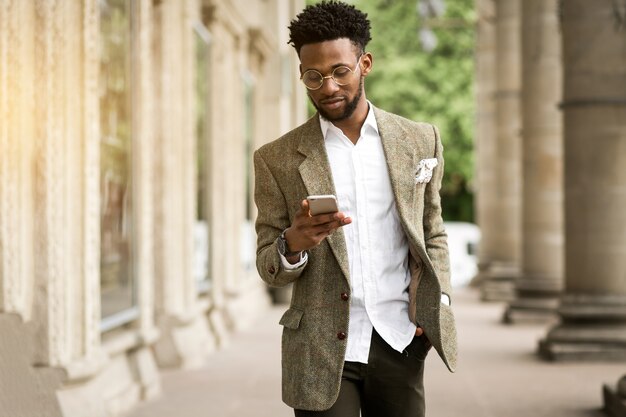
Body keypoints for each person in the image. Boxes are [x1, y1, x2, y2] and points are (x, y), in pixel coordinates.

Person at [253, 1, 457, 416]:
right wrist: (293, 243)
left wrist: (439, 303)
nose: (327, 87)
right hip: (320, 350)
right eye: (314, 76)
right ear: (302, 75)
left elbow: (432, 230)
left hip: (400, 338)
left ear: (364, 63)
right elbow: (267, 267)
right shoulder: (276, 159)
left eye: (339, 71)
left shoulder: (419, 141)